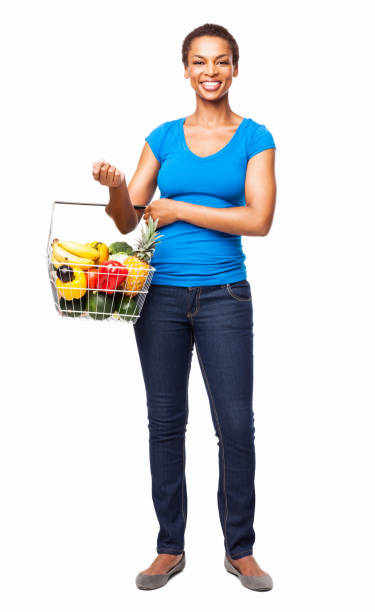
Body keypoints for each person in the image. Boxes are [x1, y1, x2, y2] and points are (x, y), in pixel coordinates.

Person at [92, 23, 276, 592]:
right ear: (187, 70)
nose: (211, 72)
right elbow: (129, 219)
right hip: (159, 298)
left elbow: (258, 220)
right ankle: (169, 548)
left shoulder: (256, 137)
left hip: (224, 296)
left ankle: (239, 549)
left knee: (235, 427)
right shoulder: (164, 137)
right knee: (166, 425)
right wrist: (118, 188)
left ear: (236, 68)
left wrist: (180, 210)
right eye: (200, 62)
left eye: (221, 61)